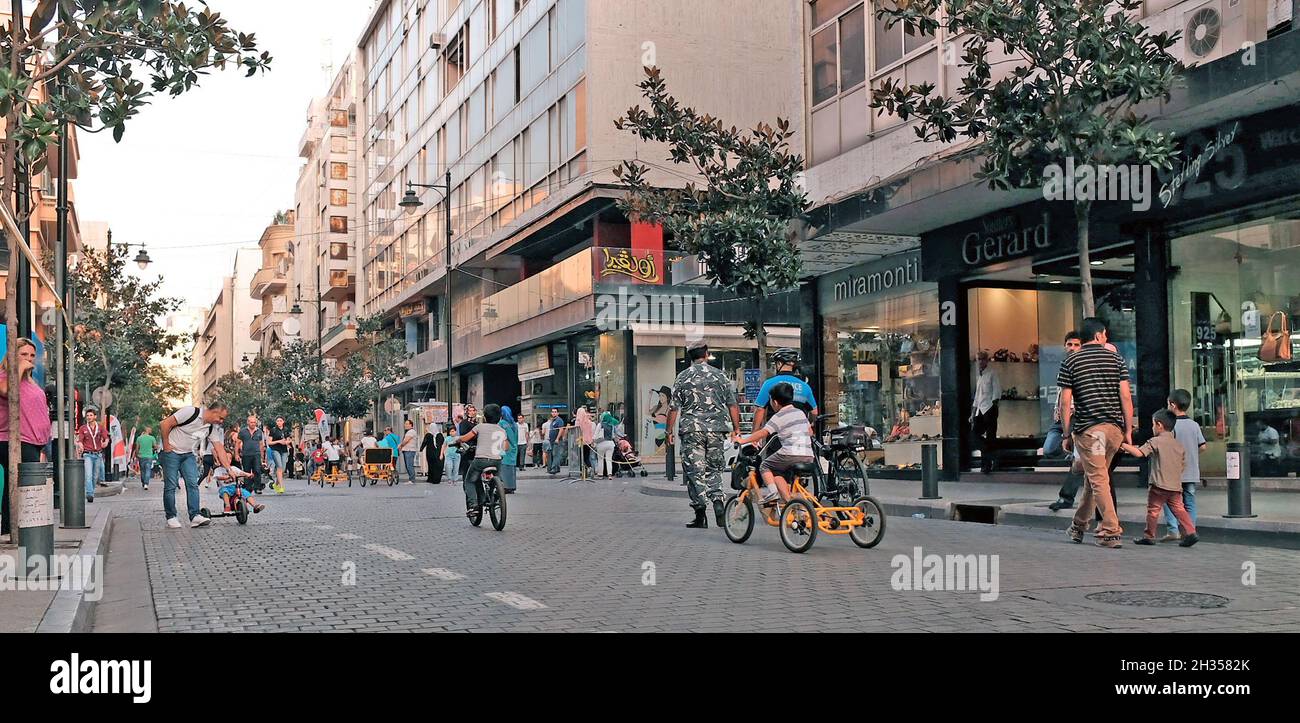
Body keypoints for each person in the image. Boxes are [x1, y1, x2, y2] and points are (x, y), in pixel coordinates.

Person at [1061, 317, 1134, 549]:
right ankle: (1078, 526)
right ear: (1099, 335)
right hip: (1113, 430)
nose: (1106, 338)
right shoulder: (1116, 358)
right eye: (1105, 335)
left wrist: (1065, 433)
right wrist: (1128, 430)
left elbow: (1065, 402)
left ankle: (1111, 530)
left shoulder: (1071, 361)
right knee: (1095, 479)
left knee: (1098, 479)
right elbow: (1125, 397)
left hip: (1090, 432)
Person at [669, 339, 741, 528]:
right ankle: (718, 501)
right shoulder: (721, 376)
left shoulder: (682, 377)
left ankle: (700, 514)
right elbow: (732, 404)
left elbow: (673, 408)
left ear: (690, 356)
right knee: (715, 468)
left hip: (692, 430)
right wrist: (737, 429)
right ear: (706, 353)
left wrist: (668, 431)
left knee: (695, 471)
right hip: (717, 430)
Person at [1122, 409, 1198, 548]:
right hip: (1175, 486)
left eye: (1153, 425)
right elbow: (1183, 465)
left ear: (1159, 425)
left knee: (1153, 510)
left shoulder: (1155, 441)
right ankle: (1191, 532)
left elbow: (1139, 453)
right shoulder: (1178, 445)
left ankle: (1149, 536)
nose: (1152, 428)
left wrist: (1122, 445)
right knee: (1179, 509)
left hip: (1158, 485)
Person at [733, 382, 814, 505]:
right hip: (808, 456)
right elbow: (810, 432)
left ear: (775, 402)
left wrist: (743, 440)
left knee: (765, 466)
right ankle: (789, 502)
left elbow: (763, 433)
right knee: (777, 472)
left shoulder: (779, 416)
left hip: (790, 454)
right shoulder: (800, 413)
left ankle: (772, 493)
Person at [0, 339, 50, 537]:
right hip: (14, 440)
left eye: (31, 355)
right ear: (12, 356)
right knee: (22, 484)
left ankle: (15, 528)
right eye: (23, 355)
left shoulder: (30, 381)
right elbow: (6, 391)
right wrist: (19, 367)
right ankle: (15, 529)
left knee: (22, 483)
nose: (29, 359)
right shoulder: (6, 377)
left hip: (34, 441)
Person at [159, 402, 231, 529]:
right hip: (172, 453)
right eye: (220, 418)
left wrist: (229, 469)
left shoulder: (210, 428)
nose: (221, 421)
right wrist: (166, 445)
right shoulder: (190, 412)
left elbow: (219, 448)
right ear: (214, 412)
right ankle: (171, 517)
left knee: (193, 484)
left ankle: (195, 516)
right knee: (170, 485)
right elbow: (164, 423)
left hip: (188, 455)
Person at [446, 403, 509, 519]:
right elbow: (506, 447)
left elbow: (465, 438)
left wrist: (457, 440)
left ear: (484, 416)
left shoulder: (480, 427)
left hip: (480, 460)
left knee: (469, 481)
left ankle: (473, 506)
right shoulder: (502, 430)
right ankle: (497, 493)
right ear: (499, 417)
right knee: (498, 477)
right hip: (496, 461)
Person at [1161, 389, 1206, 542]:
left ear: (1172, 405)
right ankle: (1189, 530)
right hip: (1191, 471)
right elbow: (1203, 447)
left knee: (1169, 500)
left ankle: (1173, 530)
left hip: (1172, 473)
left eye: (1168, 404)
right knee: (1190, 501)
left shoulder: (1170, 426)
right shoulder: (1194, 425)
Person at [1047, 332, 1085, 511]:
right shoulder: (1064, 366)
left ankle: (1066, 497)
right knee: (1049, 448)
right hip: (1062, 417)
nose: (1072, 348)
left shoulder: (1085, 366)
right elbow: (1062, 395)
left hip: (1079, 417)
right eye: (1069, 344)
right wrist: (1058, 411)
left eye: (1076, 345)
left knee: (1079, 462)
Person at [752, 348, 818, 430]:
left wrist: (755, 432)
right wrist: (811, 427)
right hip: (799, 435)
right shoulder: (804, 386)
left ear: (779, 364)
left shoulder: (769, 384)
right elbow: (814, 412)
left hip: (776, 434)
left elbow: (759, 409)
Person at [970, 350, 1001, 474]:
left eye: (983, 359)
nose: (981, 361)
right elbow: (977, 397)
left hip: (990, 409)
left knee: (991, 437)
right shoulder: (979, 376)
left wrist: (994, 406)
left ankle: (986, 465)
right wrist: (972, 413)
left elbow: (997, 391)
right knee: (974, 436)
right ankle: (991, 457)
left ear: (987, 360)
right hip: (980, 410)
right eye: (979, 359)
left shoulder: (992, 373)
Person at [75, 408, 109, 503]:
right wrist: (80, 446)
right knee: (88, 475)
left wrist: (105, 442)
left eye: (91, 415)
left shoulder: (100, 427)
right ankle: (89, 494)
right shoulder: (83, 428)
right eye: (87, 416)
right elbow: (80, 441)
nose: (89, 417)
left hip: (98, 455)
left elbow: (106, 437)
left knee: (95, 476)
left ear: (95, 416)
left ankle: (91, 491)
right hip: (87, 455)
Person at [237, 415, 266, 494]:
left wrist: (262, 457)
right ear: (248, 422)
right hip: (246, 454)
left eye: (254, 422)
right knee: (247, 471)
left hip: (256, 454)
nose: (253, 424)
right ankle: (248, 487)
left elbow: (261, 444)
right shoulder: (243, 431)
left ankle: (257, 487)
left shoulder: (259, 432)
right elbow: (238, 442)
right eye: (251, 422)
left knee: (257, 470)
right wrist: (236, 454)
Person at [267, 416, 291, 492]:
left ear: (283, 421)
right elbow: (269, 442)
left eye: (280, 421)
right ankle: (281, 487)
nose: (279, 422)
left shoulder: (286, 430)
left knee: (282, 469)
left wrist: (287, 442)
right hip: (275, 450)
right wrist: (278, 441)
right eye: (277, 421)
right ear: (276, 422)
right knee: (279, 467)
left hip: (284, 450)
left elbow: (288, 439)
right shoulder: (273, 430)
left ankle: (275, 484)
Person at [499, 405, 519, 492]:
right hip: (514, 447)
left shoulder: (502, 423)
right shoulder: (514, 424)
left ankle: (506, 486)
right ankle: (512, 486)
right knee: (512, 468)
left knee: (504, 467)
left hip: (505, 447)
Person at [595, 410, 619, 479]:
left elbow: (596, 434)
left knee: (600, 459)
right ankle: (610, 474)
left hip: (601, 443)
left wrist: (594, 441)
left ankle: (600, 475)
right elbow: (613, 436)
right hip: (610, 443)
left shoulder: (600, 424)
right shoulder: (612, 425)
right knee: (609, 459)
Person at [134, 425, 158, 491]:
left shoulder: (139, 438)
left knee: (142, 470)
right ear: (147, 429)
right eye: (150, 429)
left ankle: (143, 482)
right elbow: (155, 447)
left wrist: (136, 455)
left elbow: (137, 448)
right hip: (149, 456)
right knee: (148, 470)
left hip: (141, 456)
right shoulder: (152, 438)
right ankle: (146, 484)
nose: (151, 430)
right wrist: (152, 448)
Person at [457, 405, 478, 479]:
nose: (472, 412)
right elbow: (463, 435)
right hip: (468, 448)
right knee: (467, 470)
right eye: (470, 411)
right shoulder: (464, 422)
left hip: (476, 448)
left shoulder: (476, 422)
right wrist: (473, 435)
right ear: (466, 412)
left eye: (473, 410)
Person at [649, 386, 672, 451]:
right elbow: (646, 412)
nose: (660, 398)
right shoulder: (657, 407)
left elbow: (670, 423)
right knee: (657, 456)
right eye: (659, 396)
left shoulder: (669, 409)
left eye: (663, 396)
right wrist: (649, 396)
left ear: (667, 397)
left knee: (663, 456)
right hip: (657, 437)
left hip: (664, 437)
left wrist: (653, 419)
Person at [544, 408, 564, 473]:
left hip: (557, 440)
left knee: (556, 454)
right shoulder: (552, 421)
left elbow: (561, 429)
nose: (554, 413)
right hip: (551, 440)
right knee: (553, 454)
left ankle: (554, 468)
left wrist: (557, 438)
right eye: (552, 412)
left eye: (555, 412)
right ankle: (557, 468)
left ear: (558, 413)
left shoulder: (559, 420)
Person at [399, 419, 419, 484]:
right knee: (408, 465)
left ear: (411, 425)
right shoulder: (409, 432)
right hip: (407, 450)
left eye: (407, 424)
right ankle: (411, 479)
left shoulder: (411, 432)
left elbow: (406, 440)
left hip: (409, 450)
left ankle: (412, 479)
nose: (405, 425)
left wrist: (400, 446)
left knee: (409, 465)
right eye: (405, 424)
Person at [445, 416, 462, 483]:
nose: (452, 433)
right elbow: (444, 446)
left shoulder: (458, 438)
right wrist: (442, 454)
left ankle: (455, 479)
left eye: (453, 431)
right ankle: (449, 478)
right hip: (449, 455)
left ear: (455, 431)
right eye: (450, 431)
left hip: (457, 455)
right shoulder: (447, 438)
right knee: (449, 467)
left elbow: (461, 446)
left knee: (456, 468)